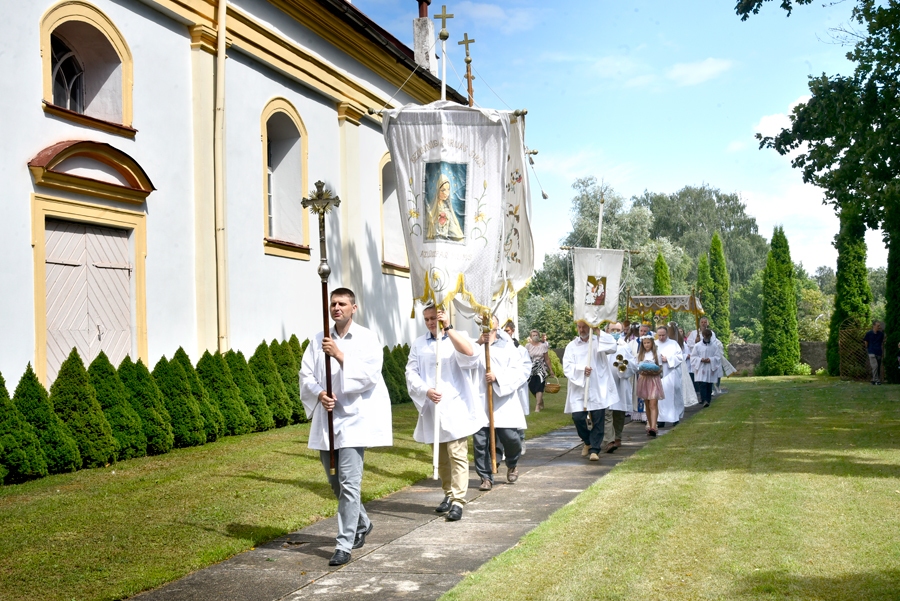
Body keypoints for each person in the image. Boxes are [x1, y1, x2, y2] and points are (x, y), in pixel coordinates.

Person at [300, 288, 392, 566]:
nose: (336, 307)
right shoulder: (318, 340)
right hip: (328, 419)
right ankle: (362, 522)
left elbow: (370, 375)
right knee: (334, 481)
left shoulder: (366, 338)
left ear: (354, 307)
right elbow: (305, 374)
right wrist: (319, 393)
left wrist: (339, 355)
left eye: (342, 303)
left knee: (350, 485)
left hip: (354, 420)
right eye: (333, 303)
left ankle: (344, 544)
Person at [405, 306, 483, 521]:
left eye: (434, 318)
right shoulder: (419, 344)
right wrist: (425, 390)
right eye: (427, 319)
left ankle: (458, 500)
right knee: (441, 458)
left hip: (455, 405)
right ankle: (448, 493)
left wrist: (448, 328)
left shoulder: (458, 337)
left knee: (456, 453)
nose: (431, 322)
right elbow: (411, 372)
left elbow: (470, 354)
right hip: (432, 406)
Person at [473, 316, 531, 491]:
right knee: (480, 441)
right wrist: (477, 344)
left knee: (511, 437)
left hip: (503, 400)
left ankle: (512, 463)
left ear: (497, 325)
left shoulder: (508, 348)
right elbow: (463, 363)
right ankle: (485, 477)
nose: (486, 321)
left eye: (490, 319)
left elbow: (519, 370)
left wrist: (498, 377)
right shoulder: (475, 347)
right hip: (480, 400)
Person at [563, 320, 618, 461]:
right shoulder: (571, 346)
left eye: (584, 327)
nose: (581, 330)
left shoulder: (598, 342)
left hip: (597, 385)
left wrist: (599, 331)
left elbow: (612, 347)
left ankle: (595, 449)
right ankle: (587, 441)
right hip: (578, 387)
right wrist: (581, 369)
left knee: (598, 418)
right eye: (579, 327)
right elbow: (567, 367)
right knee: (578, 417)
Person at [604, 321, 637, 453]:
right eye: (613, 330)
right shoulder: (600, 345)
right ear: (607, 330)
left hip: (619, 384)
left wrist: (624, 366)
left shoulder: (624, 346)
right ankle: (609, 440)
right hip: (605, 384)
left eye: (618, 330)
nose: (616, 333)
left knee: (618, 412)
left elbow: (634, 365)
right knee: (607, 412)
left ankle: (617, 436)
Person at [655, 326, 684, 428]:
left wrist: (668, 359)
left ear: (667, 334)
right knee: (660, 398)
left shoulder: (673, 344)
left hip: (671, 373)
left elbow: (680, 357)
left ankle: (674, 418)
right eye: (659, 335)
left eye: (663, 335)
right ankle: (660, 419)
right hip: (659, 374)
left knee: (672, 396)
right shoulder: (655, 344)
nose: (661, 337)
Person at [636, 335, 664, 436]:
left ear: (652, 343)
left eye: (648, 343)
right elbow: (638, 367)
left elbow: (660, 368)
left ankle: (654, 426)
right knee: (647, 403)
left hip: (653, 379)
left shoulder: (656, 353)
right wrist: (642, 371)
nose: (647, 345)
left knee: (653, 403)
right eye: (645, 343)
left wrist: (654, 372)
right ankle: (649, 423)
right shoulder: (641, 354)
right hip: (644, 379)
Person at [426, 173, 464, 241]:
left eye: (448, 189)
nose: (446, 193)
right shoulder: (431, 210)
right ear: (438, 190)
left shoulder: (447, 210)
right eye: (443, 190)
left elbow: (453, 230)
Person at [690, 329, 720, 407]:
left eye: (708, 336)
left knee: (709, 384)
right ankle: (704, 400)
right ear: (703, 336)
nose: (707, 338)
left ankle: (708, 400)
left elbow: (717, 357)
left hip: (710, 367)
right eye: (705, 336)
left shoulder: (714, 346)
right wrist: (701, 359)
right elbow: (693, 356)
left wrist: (710, 359)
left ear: (710, 336)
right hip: (701, 367)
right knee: (702, 384)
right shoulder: (697, 346)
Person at [525, 329, 551, 412]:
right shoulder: (528, 346)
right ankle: (540, 401)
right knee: (532, 387)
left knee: (539, 386)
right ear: (530, 337)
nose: (535, 336)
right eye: (533, 335)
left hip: (541, 368)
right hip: (531, 369)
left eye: (536, 335)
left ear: (539, 336)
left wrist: (550, 370)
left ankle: (537, 406)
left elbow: (547, 359)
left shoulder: (543, 346)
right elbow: (524, 358)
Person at [863, 320, 885, 385]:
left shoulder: (881, 334)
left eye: (879, 326)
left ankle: (873, 380)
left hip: (878, 352)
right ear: (874, 326)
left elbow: (881, 342)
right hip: (871, 351)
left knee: (877, 367)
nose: (879, 327)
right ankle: (877, 380)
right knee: (875, 366)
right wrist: (868, 348)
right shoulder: (869, 333)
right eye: (878, 326)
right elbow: (866, 342)